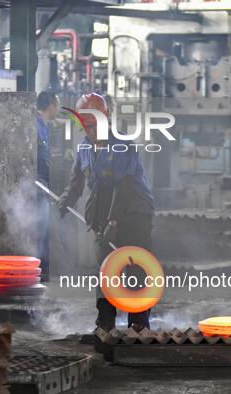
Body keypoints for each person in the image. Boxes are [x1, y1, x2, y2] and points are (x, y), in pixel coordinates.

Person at [57, 93, 155, 332]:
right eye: (86, 127)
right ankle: (105, 325)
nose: (90, 132)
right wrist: (65, 199)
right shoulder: (83, 148)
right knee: (106, 271)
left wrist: (114, 223)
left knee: (135, 270)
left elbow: (123, 188)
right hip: (104, 216)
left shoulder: (123, 145)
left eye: (94, 126)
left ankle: (139, 325)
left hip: (134, 215)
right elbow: (77, 182)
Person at [36, 91, 60, 282]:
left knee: (44, 226)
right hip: (38, 183)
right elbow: (39, 157)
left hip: (43, 182)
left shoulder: (44, 124)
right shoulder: (36, 125)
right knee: (41, 226)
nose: (58, 110)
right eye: (57, 106)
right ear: (50, 106)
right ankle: (40, 269)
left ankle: (43, 267)